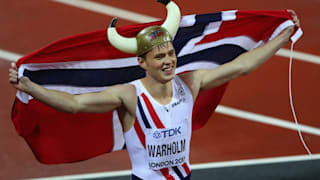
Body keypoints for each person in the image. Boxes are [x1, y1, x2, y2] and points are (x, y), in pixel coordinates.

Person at [9, 0, 300, 179]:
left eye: (171, 54)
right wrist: (31, 88)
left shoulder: (190, 82)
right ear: (142, 62)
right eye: (159, 57)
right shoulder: (128, 95)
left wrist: (281, 38)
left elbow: (241, 66)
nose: (169, 61)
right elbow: (75, 104)